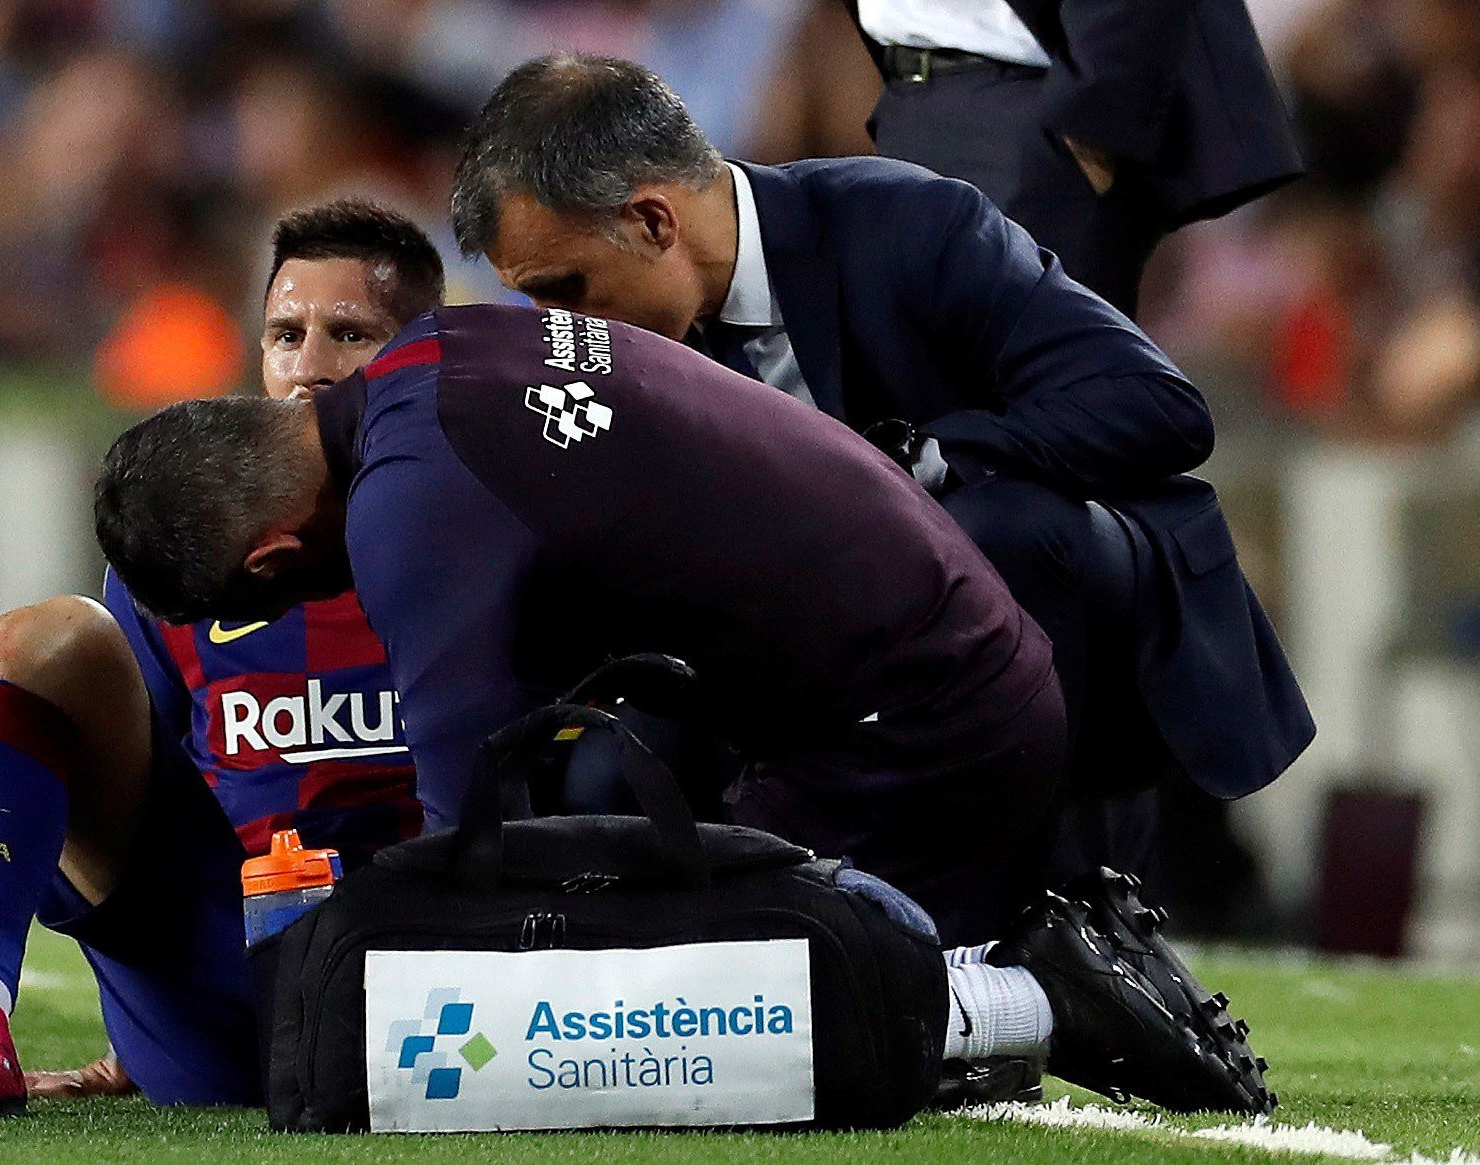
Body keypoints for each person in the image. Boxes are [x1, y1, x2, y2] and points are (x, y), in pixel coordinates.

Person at [94, 302, 1275, 1117]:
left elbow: (458, 856)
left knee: (658, 1017)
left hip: (912, 728)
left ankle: (1018, 990)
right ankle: (971, 958)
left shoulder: (409, 516)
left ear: (271, 559)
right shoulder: (436, 355)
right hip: (930, 667)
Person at [449, 53, 1313, 893]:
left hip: (1063, 607)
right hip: (831, 650)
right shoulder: (609, 359)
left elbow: (1153, 403)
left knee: (994, 531)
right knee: (608, 741)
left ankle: (1046, 908)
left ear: (652, 222)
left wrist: (918, 463)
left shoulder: (904, 221)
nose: (551, 327)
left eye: (563, 288)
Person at [0, 201, 443, 1120]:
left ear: (419, 352)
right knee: (40, 642)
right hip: (227, 996)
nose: (309, 365)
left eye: (351, 333)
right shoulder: (194, 543)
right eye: (286, 332)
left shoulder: (476, 537)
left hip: (441, 982)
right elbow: (133, 806)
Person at [852, 0, 1303, 318]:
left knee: (1038, 409)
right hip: (908, 99)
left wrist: (1093, 126)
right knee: (922, 416)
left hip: (1026, 114)